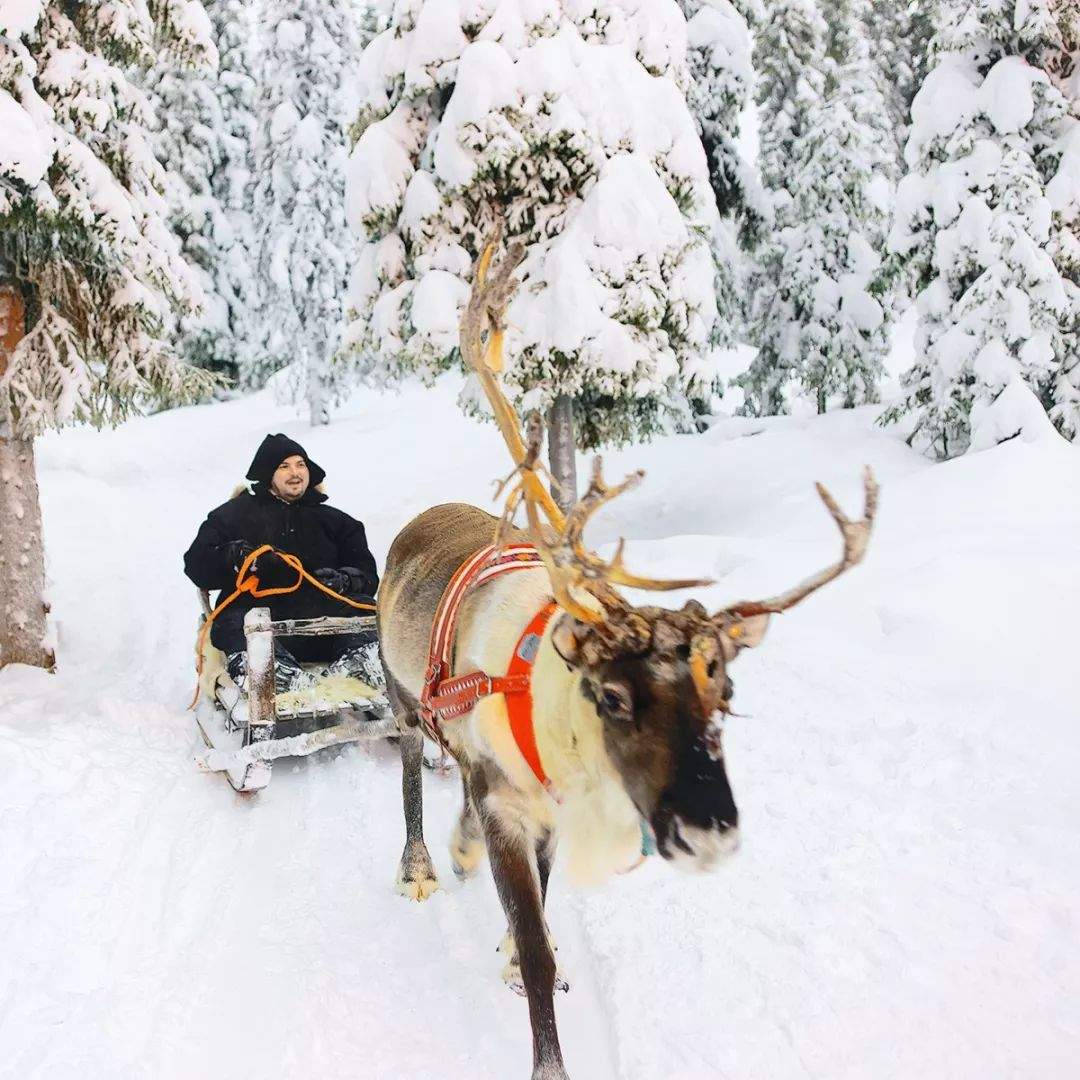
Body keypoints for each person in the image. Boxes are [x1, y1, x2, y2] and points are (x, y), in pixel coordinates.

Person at [184, 433, 382, 695]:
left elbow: (368, 575)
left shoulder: (338, 522)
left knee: (368, 611)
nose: (295, 473)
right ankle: (277, 678)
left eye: (301, 464)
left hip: (324, 622)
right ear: (267, 473)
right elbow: (196, 566)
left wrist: (346, 579)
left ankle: (359, 665)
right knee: (236, 621)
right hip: (259, 620)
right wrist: (233, 556)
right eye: (284, 466)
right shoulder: (231, 516)